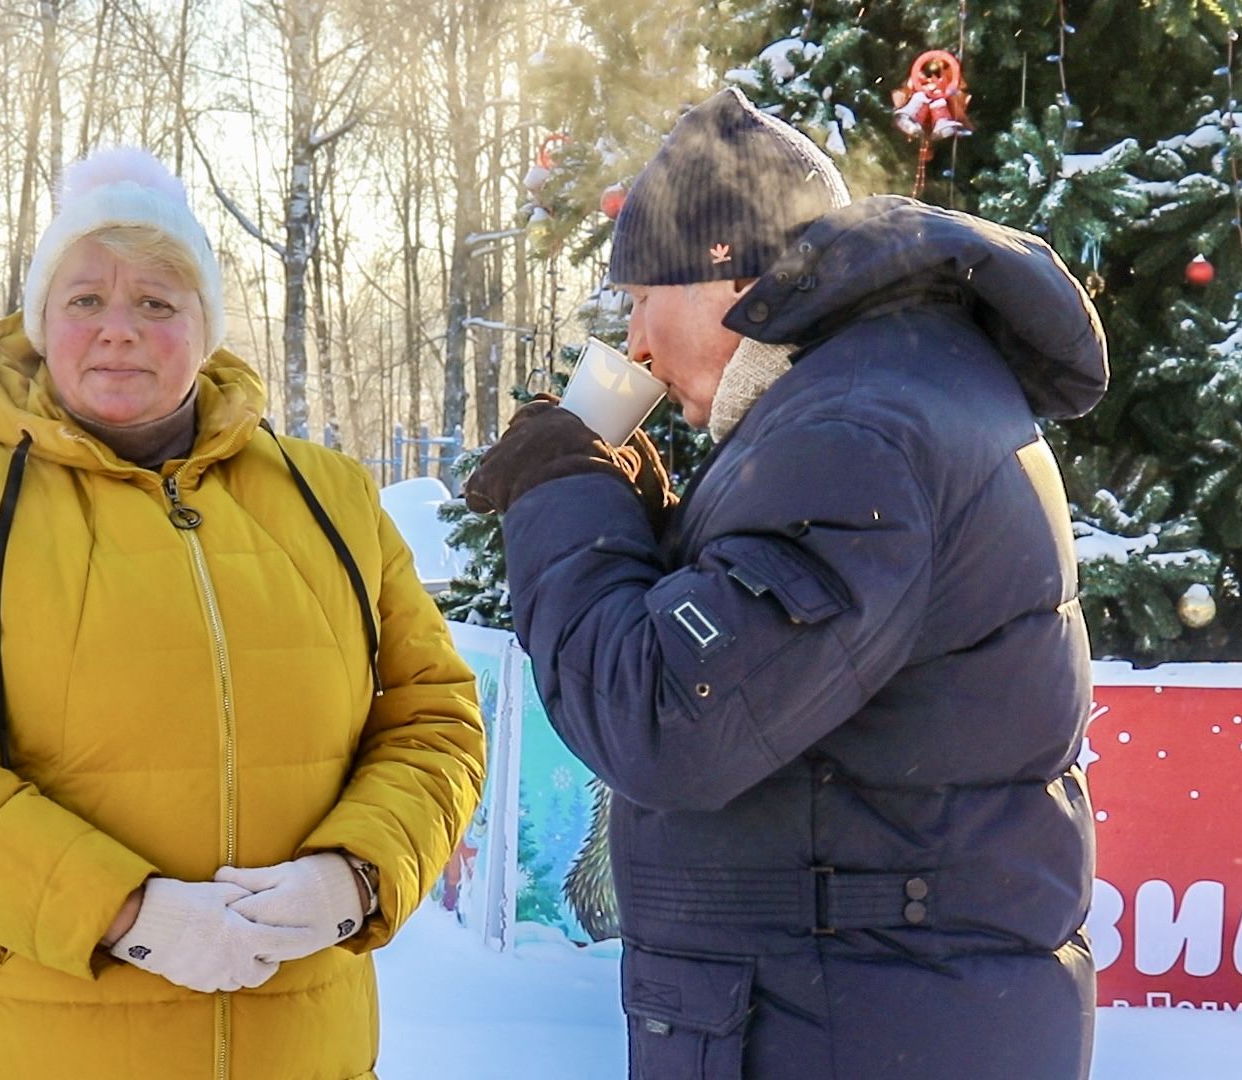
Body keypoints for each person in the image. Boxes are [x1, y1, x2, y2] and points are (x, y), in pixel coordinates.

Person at [465, 86, 1105, 1078]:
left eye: (640, 298)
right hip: (873, 1014)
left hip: (846, 1025)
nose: (634, 344)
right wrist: (642, 525)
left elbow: (667, 719)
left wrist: (563, 491)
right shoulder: (888, 393)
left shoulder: (856, 431)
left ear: (727, 275)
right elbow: (773, 677)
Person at [0, 147, 484, 1080]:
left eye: (156, 302)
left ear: (205, 328)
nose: (119, 330)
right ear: (41, 323)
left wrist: (358, 875)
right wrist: (126, 913)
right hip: (32, 1046)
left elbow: (435, 718)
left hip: (299, 1047)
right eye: (85, 299)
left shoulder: (330, 498)